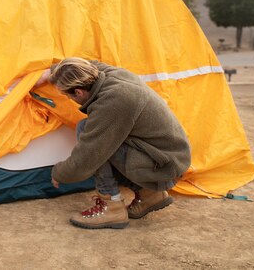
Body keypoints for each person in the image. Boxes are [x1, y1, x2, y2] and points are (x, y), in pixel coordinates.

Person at [37, 57, 191, 229]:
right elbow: (90, 63)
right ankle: (151, 195)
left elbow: (88, 156)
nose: (65, 97)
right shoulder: (108, 75)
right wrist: (53, 70)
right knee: (96, 135)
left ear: (79, 92)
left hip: (163, 165)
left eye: (65, 94)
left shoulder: (112, 103)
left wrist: (59, 173)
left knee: (89, 134)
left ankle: (112, 207)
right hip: (167, 154)